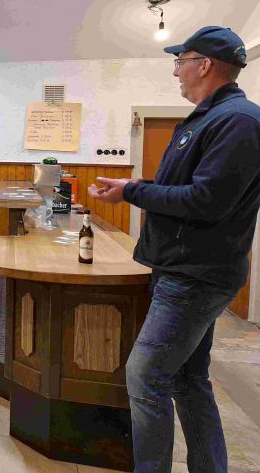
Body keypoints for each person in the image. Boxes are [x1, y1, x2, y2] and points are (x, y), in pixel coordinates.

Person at [88, 26, 260, 473]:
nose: (175, 71)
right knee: (187, 377)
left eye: (180, 62)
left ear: (205, 65)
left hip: (194, 275)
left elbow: (206, 201)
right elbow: (184, 189)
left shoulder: (237, 121)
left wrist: (133, 191)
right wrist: (134, 187)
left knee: (145, 376)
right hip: (185, 268)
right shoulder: (210, 118)